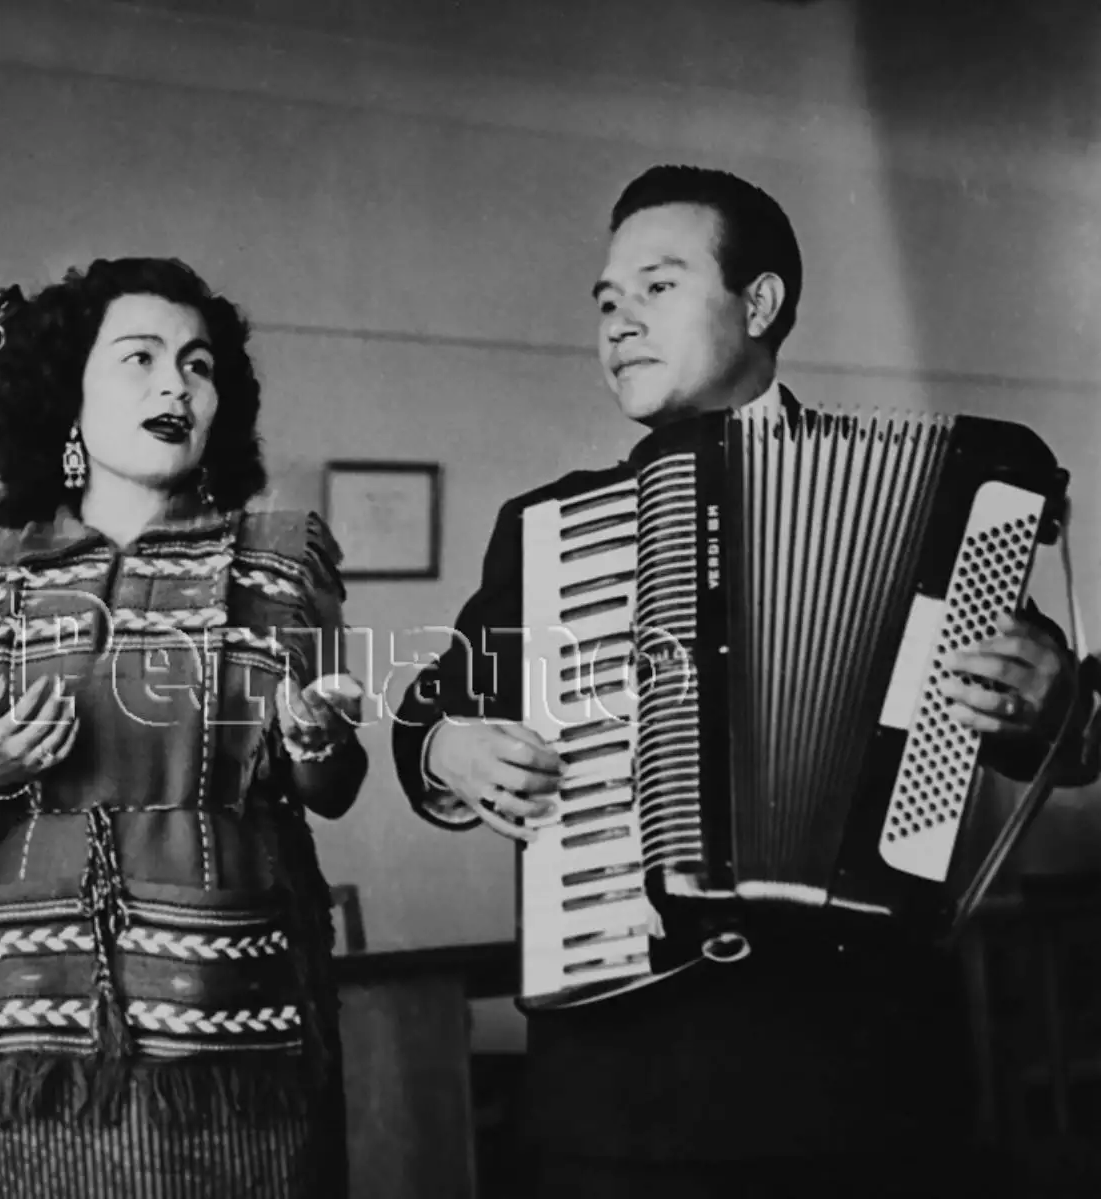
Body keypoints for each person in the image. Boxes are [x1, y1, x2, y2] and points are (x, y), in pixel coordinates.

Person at [391, 165, 1095, 1198]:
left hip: (861, 1084)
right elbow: (430, 711)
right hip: (628, 1087)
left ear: (757, 303)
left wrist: (1058, 698)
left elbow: (1056, 733)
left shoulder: (933, 503)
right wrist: (451, 747)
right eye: (605, 300)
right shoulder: (550, 533)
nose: (618, 322)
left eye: (658, 286)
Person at [0, 257, 368, 1198]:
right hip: (46, 1016)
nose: (175, 383)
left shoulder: (282, 560)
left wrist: (317, 740)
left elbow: (336, 783)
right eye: (139, 357)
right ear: (68, 396)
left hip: (239, 1009)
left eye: (198, 364)